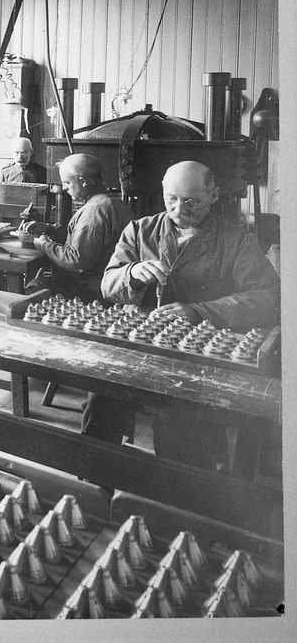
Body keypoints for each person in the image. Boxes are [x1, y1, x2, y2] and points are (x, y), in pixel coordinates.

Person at [93, 160, 281, 468]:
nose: (180, 209)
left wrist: (198, 311)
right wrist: (134, 274)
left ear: (214, 195)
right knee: (101, 400)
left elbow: (269, 299)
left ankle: (179, 498)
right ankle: (96, 486)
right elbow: (108, 286)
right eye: (172, 199)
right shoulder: (140, 231)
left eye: (192, 201)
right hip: (140, 344)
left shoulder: (236, 240)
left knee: (180, 427)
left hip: (196, 355)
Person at [20, 152, 132, 301]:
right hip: (109, 283)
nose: (65, 188)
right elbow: (89, 244)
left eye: (67, 182)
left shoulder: (94, 211)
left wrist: (43, 245)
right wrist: (50, 229)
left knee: (34, 288)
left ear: (83, 181)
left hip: (91, 289)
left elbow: (76, 260)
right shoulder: (112, 202)